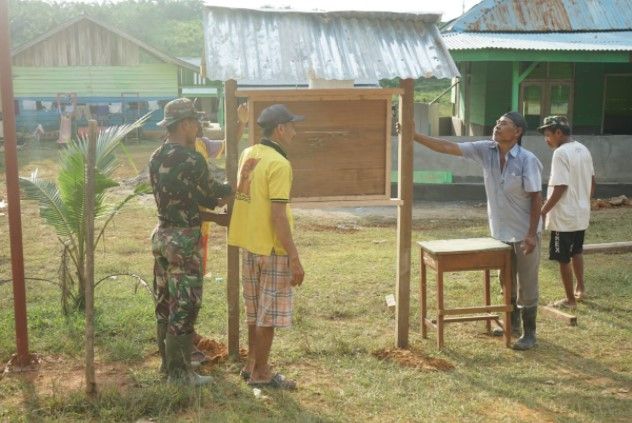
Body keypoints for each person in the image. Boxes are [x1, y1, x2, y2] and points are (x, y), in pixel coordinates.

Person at [412, 112, 543, 350]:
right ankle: (511, 325)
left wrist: (532, 234)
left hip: (525, 232)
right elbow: (446, 146)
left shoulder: (527, 160)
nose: (497, 126)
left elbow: (536, 198)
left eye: (503, 124)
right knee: (506, 279)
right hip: (501, 231)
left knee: (527, 283)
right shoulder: (486, 150)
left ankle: (529, 334)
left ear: (517, 132)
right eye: (497, 122)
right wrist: (415, 136)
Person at [149, 98, 232, 385]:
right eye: (196, 122)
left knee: (165, 302)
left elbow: (187, 196)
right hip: (183, 240)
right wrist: (238, 184)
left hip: (161, 236)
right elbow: (212, 194)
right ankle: (181, 374)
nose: (198, 128)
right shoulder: (191, 158)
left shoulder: (156, 156)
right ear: (185, 124)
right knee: (186, 304)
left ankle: (167, 367)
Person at [228, 104, 305, 389]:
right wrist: (294, 258)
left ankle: (252, 365)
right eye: (293, 126)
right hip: (272, 251)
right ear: (280, 129)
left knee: (254, 312)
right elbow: (278, 216)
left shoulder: (250, 154)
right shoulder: (280, 164)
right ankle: (261, 373)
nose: (295, 132)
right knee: (268, 317)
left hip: (250, 245)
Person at [190, 103, 248, 365]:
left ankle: (188, 335)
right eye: (194, 120)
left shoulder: (201, 144)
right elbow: (188, 201)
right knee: (184, 287)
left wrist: (242, 122)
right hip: (188, 225)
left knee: (194, 281)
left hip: (201, 227)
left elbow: (227, 145)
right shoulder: (182, 156)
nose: (198, 124)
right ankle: (184, 343)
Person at [538, 116, 595, 309]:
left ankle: (570, 300)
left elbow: (560, 186)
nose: (546, 139)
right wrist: (583, 203)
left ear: (558, 132)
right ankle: (580, 288)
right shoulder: (583, 149)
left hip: (563, 217)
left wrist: (543, 211)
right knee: (576, 251)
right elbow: (593, 183)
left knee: (562, 258)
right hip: (580, 214)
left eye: (548, 135)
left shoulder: (560, 153)